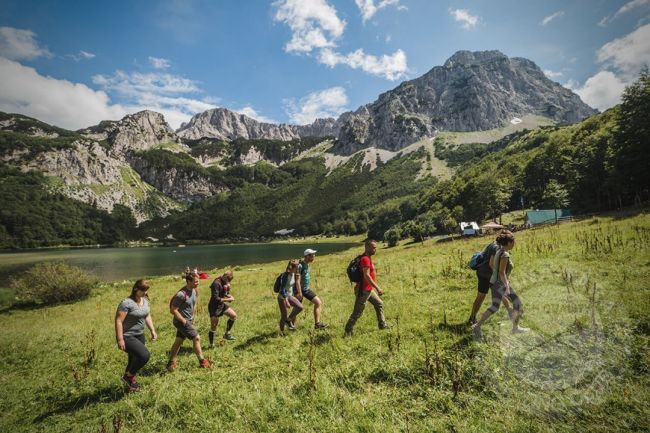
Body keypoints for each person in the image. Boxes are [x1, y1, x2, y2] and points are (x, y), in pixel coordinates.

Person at [472, 231, 529, 334]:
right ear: (508, 243)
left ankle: (477, 326)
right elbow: (502, 272)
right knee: (516, 303)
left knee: (495, 306)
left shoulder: (499, 251)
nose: (514, 244)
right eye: (513, 242)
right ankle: (515, 328)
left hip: (494, 282)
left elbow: (491, 264)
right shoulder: (505, 254)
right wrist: (506, 286)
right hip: (500, 283)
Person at [114, 279, 157, 392]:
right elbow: (118, 321)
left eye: (146, 290)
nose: (145, 292)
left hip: (139, 335)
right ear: (135, 289)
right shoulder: (126, 303)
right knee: (144, 355)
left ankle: (130, 386)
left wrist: (152, 330)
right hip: (127, 336)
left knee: (133, 361)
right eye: (143, 290)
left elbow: (147, 315)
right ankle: (127, 377)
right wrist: (120, 339)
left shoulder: (145, 301)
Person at [167, 273, 211, 371]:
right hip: (181, 321)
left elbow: (193, 303)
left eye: (198, 280)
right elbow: (173, 310)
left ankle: (170, 363)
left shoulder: (195, 290)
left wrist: (193, 315)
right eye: (195, 281)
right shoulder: (181, 294)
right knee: (196, 338)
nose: (198, 283)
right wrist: (184, 321)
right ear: (188, 281)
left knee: (179, 341)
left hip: (189, 320)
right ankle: (202, 361)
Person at [344, 239, 388, 336]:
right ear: (367, 247)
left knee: (379, 304)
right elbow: (366, 275)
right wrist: (378, 288)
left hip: (368, 289)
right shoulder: (365, 259)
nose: (375, 249)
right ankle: (347, 331)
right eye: (373, 248)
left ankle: (382, 324)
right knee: (357, 312)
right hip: (363, 290)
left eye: (375, 247)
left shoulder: (366, 257)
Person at [468, 233, 513, 324]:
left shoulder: (493, 244)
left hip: (485, 273)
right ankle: (473, 319)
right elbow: (491, 264)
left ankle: (512, 314)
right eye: (513, 242)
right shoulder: (496, 248)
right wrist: (499, 276)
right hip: (486, 275)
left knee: (496, 294)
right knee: (483, 296)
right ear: (508, 242)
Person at [295, 248, 328, 330]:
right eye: (312, 255)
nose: (314, 256)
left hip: (305, 289)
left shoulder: (307, 264)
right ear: (306, 256)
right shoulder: (300, 265)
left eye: (314, 255)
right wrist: (299, 293)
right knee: (297, 309)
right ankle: (291, 325)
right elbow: (297, 280)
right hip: (300, 290)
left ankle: (317, 324)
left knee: (318, 302)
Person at [208, 270, 237, 347]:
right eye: (228, 280)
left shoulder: (224, 282)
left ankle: (227, 334)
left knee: (233, 316)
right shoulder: (216, 283)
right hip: (214, 307)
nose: (228, 282)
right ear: (225, 277)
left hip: (221, 305)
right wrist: (228, 299)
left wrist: (229, 294)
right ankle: (211, 344)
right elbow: (215, 298)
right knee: (214, 326)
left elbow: (224, 294)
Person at [277, 259, 303, 333]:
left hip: (290, 296)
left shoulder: (294, 274)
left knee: (300, 307)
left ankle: (288, 320)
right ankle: (281, 332)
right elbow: (282, 289)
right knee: (283, 316)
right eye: (297, 267)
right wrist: (286, 301)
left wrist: (298, 293)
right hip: (282, 297)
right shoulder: (285, 275)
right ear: (293, 267)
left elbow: (294, 284)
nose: (298, 268)